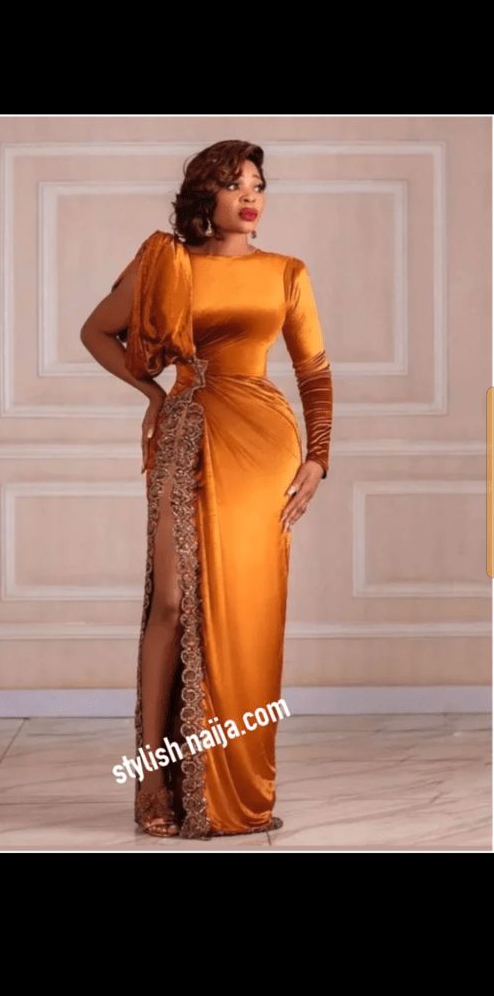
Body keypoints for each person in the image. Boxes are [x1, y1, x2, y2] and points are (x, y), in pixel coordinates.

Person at [80, 140, 333, 840]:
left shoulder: (287, 272)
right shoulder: (168, 263)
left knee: (245, 610)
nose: (250, 196)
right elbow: (97, 331)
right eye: (233, 184)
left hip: (264, 446)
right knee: (170, 600)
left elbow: (314, 373)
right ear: (205, 196)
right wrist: (153, 393)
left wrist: (318, 459)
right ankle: (155, 780)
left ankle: (234, 790)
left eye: (258, 184)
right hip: (187, 432)